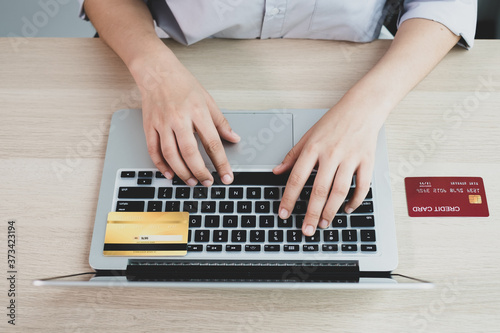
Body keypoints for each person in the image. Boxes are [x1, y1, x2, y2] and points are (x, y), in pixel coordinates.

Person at [79, 0, 477, 236]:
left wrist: (367, 108)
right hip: (172, 65)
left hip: (357, 76)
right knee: (134, 241)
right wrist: (154, 70)